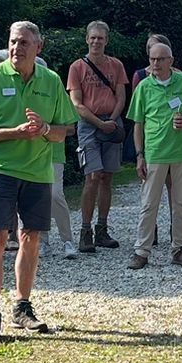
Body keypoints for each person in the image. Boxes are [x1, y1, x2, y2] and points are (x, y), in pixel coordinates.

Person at [0, 21, 76, 343]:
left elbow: (63, 131)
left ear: (38, 47)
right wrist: (12, 133)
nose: (17, 48)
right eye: (14, 42)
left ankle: (22, 307)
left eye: (25, 43)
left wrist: (43, 129)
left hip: (37, 172)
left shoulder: (52, 81)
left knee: (30, 239)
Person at [127, 37, 182, 269]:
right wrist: (139, 155)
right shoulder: (144, 87)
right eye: (152, 59)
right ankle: (142, 251)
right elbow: (137, 123)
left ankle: (180, 248)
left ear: (171, 61)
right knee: (149, 203)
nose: (155, 64)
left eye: (160, 59)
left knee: (181, 203)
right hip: (155, 152)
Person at [66, 21, 128, 254]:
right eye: (92, 38)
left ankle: (102, 228)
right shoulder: (77, 68)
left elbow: (121, 96)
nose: (96, 42)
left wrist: (111, 121)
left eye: (100, 38)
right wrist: (99, 123)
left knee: (107, 177)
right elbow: (77, 103)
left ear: (106, 41)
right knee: (92, 176)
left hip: (111, 122)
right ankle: (85, 231)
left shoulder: (116, 65)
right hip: (89, 125)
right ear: (86, 39)